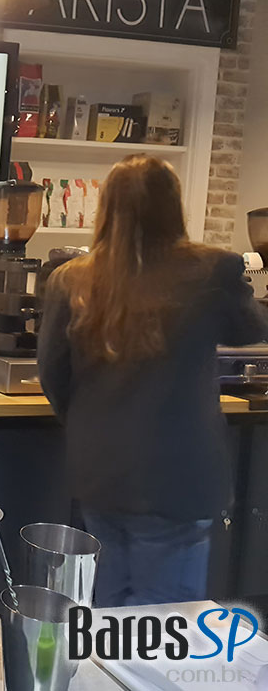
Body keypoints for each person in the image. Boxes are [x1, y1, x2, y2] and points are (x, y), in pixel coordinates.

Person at [37, 154, 268, 608]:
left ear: (107, 208)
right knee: (163, 621)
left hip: (100, 471)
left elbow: (53, 374)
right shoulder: (212, 269)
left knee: (107, 611)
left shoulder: (71, 279)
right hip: (177, 478)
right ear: (173, 206)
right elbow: (252, 330)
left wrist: (90, 424)